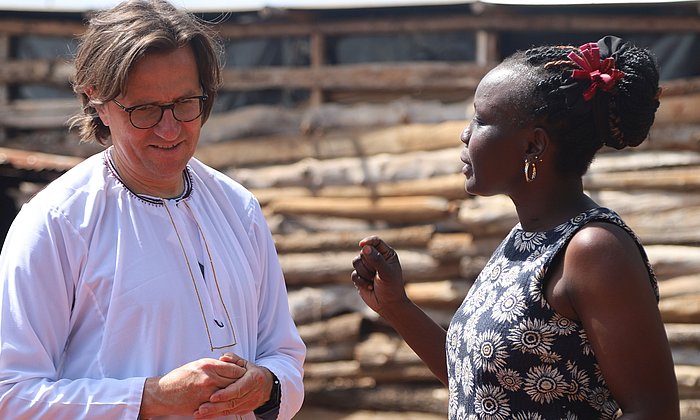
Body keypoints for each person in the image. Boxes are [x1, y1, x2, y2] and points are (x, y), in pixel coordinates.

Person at [0, 0, 305, 418]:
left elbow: (284, 356)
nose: (170, 128)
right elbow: (11, 395)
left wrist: (267, 386)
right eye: (144, 110)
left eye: (185, 103)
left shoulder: (239, 210)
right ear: (98, 102)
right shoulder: (57, 225)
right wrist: (149, 398)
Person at [351, 36, 679, 419]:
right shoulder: (524, 240)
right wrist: (395, 306)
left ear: (532, 146)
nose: (465, 134)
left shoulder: (593, 250)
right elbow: (481, 385)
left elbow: (654, 412)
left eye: (481, 119)